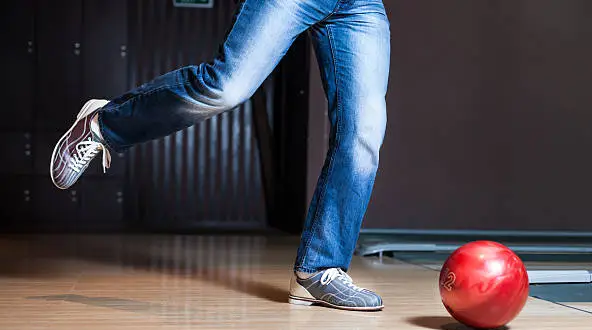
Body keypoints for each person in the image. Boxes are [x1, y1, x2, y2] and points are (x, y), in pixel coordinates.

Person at [50, 0, 390, 311]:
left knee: (364, 132)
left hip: (360, 5)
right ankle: (104, 123)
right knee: (226, 86)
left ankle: (319, 270)